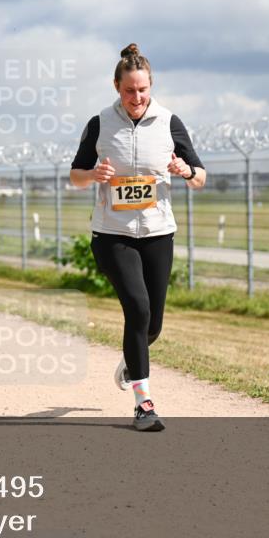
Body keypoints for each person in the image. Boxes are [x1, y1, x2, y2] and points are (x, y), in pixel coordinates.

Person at [69, 43, 207, 432]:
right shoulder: (99, 123)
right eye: (129, 90)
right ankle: (143, 404)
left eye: (143, 89)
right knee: (137, 307)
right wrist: (92, 175)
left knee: (153, 325)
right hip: (112, 234)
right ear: (116, 87)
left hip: (158, 233)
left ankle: (133, 360)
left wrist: (185, 170)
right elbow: (74, 176)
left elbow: (200, 177)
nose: (137, 97)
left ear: (151, 86)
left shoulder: (168, 122)